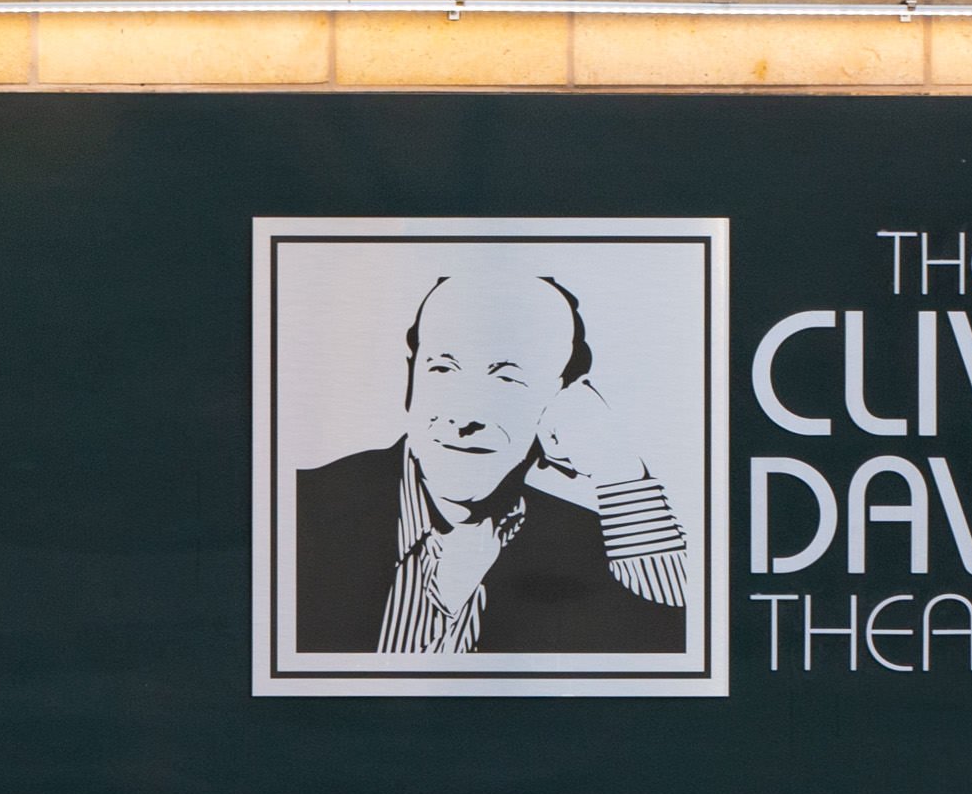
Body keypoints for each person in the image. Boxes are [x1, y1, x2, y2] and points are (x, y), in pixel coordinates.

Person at [288, 258, 690, 658]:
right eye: (443, 369)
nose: (464, 418)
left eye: (507, 378)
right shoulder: (297, 509)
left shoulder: (598, 547)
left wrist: (619, 472)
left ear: (564, 397)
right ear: (411, 376)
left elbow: (683, 638)